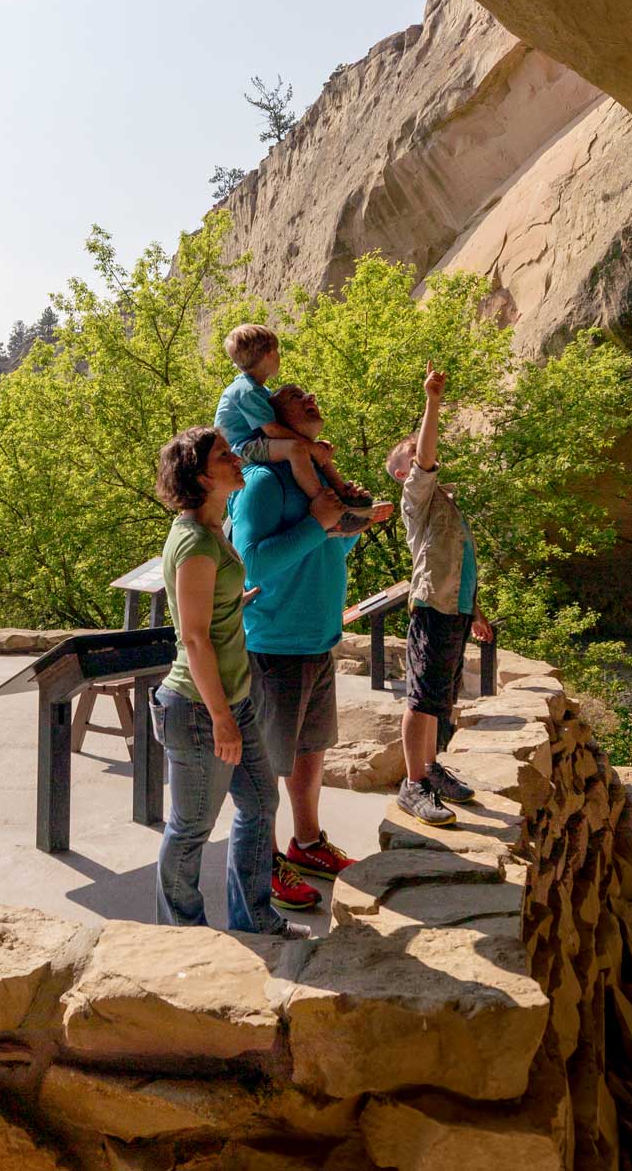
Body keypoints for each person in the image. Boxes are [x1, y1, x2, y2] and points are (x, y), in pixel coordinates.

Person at [227, 383, 394, 910]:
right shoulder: (260, 482)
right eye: (296, 396)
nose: (311, 398)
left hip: (317, 639)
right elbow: (250, 562)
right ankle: (264, 861)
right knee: (265, 768)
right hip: (273, 643)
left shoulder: (318, 475)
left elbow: (332, 543)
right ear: (272, 419)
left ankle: (307, 844)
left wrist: (353, 519)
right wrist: (320, 522)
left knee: (309, 751)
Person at [149, 425, 287, 935]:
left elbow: (213, 612)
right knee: (190, 829)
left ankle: (254, 920)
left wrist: (241, 601)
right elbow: (195, 638)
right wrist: (222, 719)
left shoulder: (214, 529)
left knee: (260, 803)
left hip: (233, 700)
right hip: (200, 708)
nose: (236, 461)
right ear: (202, 476)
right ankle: (183, 934)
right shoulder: (195, 544)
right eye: (225, 456)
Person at [386, 364, 494, 827]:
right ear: (403, 473)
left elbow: (457, 565)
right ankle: (413, 784)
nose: (426, 455)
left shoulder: (442, 503)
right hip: (433, 609)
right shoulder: (417, 497)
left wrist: (475, 612)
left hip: (453, 608)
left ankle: (430, 769)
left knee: (438, 699)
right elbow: (425, 457)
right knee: (423, 697)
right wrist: (432, 401)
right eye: (415, 455)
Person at [216, 323, 371, 532]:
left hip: (253, 442)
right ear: (269, 354)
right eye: (277, 351)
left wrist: (314, 447)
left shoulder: (259, 389)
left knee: (310, 448)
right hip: (243, 448)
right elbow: (272, 430)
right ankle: (323, 502)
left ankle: (345, 495)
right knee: (297, 449)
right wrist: (310, 446)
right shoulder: (246, 390)